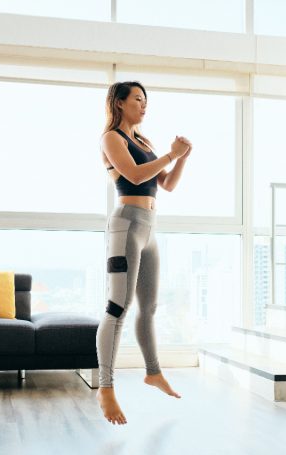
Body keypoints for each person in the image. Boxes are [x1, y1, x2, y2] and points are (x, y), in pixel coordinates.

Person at [96, 81, 192, 425]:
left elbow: (165, 184)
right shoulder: (113, 138)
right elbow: (134, 175)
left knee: (149, 307)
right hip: (126, 225)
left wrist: (181, 159)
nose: (144, 105)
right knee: (118, 307)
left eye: (146, 100)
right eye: (138, 99)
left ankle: (153, 372)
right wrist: (171, 154)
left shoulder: (143, 142)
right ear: (120, 103)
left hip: (149, 228)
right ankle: (105, 388)